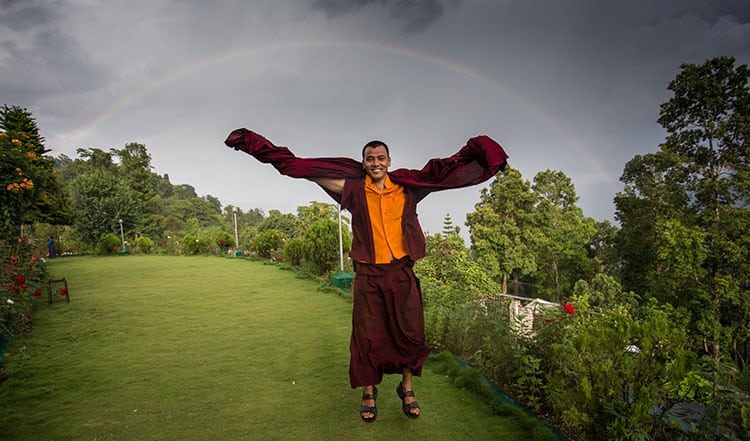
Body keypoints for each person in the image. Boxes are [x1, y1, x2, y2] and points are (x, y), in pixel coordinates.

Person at [224, 128, 508, 422]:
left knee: (411, 333)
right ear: (363, 163)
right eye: (370, 159)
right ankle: (369, 393)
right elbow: (299, 168)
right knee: (367, 337)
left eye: (380, 158)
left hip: (401, 272)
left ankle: (407, 388)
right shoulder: (352, 189)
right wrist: (250, 144)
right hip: (368, 276)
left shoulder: (407, 187)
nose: (375, 163)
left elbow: (444, 171)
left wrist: (487, 154)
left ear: (389, 160)